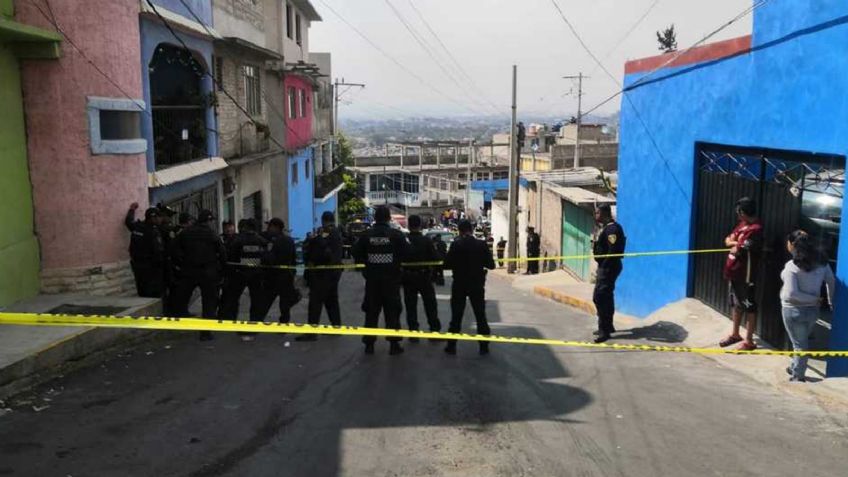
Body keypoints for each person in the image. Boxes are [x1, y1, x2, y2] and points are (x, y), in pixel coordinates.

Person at [780, 231, 834, 382]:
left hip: (793, 310)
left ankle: (798, 375)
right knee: (801, 341)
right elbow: (831, 281)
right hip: (812, 312)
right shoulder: (822, 263)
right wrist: (830, 302)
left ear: (791, 245)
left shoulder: (791, 266)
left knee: (799, 344)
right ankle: (795, 366)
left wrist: (814, 299)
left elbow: (791, 294)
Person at [353, 206, 408, 355]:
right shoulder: (396, 235)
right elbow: (407, 253)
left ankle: (369, 345)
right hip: (391, 281)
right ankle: (394, 345)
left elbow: (356, 253)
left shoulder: (366, 235)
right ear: (389, 218)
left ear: (375, 218)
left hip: (372, 281)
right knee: (393, 313)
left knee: (371, 313)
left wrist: (366, 269)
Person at [170, 209, 227, 341]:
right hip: (208, 272)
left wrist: (181, 263)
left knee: (182, 298)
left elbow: (173, 249)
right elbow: (222, 253)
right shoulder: (212, 234)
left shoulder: (186, 232)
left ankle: (178, 327)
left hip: (189, 271)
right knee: (209, 303)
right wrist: (222, 271)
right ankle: (205, 332)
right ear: (209, 221)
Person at [444, 220, 496, 355]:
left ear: (459, 231)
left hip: (459, 284)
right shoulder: (481, 244)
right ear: (471, 230)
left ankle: (451, 346)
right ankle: (484, 346)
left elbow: (446, 264)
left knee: (456, 316)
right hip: (476, 284)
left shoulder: (456, 245)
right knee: (480, 315)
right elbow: (491, 265)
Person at [719, 197, 764, 351]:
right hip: (733, 273)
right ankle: (735, 334)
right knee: (735, 304)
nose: (737, 216)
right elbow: (728, 240)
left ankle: (749, 341)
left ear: (744, 213)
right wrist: (734, 243)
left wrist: (735, 244)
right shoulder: (742, 225)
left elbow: (740, 249)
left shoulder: (756, 229)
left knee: (749, 306)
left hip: (746, 276)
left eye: (739, 212)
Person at [219, 219, 270, 342]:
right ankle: (255, 323)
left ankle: (231, 321)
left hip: (240, 273)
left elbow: (232, 256)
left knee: (233, 298)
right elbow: (266, 257)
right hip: (256, 274)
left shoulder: (238, 240)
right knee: (256, 300)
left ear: (246, 227)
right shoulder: (261, 240)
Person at [297, 212, 344, 341]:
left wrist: (314, 240)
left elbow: (323, 252)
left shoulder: (328, 233)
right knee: (331, 301)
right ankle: (336, 327)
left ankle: (312, 332)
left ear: (324, 221)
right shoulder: (337, 232)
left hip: (323, 273)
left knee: (315, 302)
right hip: (334, 272)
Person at [402, 215, 441, 340]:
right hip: (424, 276)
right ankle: (434, 331)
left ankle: (413, 332)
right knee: (430, 304)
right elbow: (436, 258)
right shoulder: (426, 240)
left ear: (408, 225)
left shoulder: (404, 240)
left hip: (407, 276)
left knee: (410, 305)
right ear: (420, 226)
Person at [592, 204, 626, 344]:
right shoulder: (607, 228)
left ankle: (603, 331)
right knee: (607, 295)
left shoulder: (612, 229)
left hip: (609, 268)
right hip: (608, 267)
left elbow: (612, 252)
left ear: (605, 214)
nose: (596, 215)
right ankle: (609, 325)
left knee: (599, 297)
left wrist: (604, 268)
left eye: (598, 213)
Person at [260, 218, 300, 324]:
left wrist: (267, 252)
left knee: (264, 303)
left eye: (270, 226)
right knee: (284, 305)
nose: (268, 229)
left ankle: (256, 323)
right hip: (286, 276)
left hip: (273, 277)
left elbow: (270, 259)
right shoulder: (289, 240)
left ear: (276, 227)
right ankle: (284, 324)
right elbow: (293, 259)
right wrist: (293, 273)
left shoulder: (273, 242)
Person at [124, 203, 165, 299]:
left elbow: (128, 222)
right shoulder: (153, 232)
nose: (161, 219)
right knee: (153, 293)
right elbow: (158, 251)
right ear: (153, 218)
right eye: (159, 217)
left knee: (142, 290)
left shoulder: (138, 226)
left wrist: (132, 209)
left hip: (137, 265)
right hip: (151, 267)